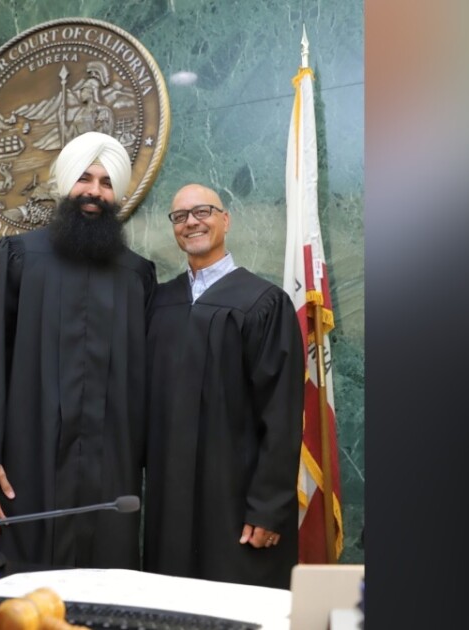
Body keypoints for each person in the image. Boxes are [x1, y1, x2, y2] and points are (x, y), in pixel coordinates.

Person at [0, 132, 156, 570]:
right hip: (23, 463)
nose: (94, 191)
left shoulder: (137, 277)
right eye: (85, 179)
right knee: (19, 590)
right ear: (65, 184)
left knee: (104, 589)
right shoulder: (17, 258)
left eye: (107, 183)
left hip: (110, 469)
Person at [144, 184, 304, 589]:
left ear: (225, 219)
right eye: (180, 216)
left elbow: (282, 415)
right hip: (169, 499)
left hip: (234, 500)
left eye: (203, 211)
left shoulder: (264, 303)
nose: (192, 222)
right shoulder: (160, 303)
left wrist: (268, 509)